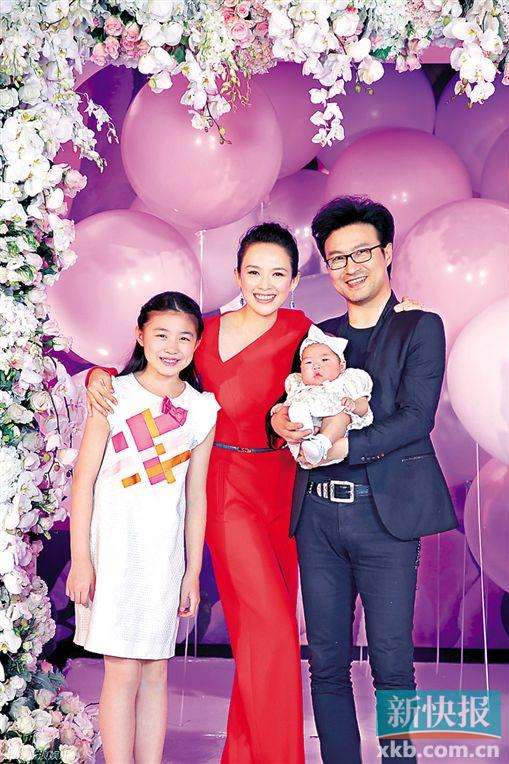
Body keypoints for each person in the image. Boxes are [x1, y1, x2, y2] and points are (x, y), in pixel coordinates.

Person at [85, 222, 421, 763]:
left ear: (295, 281)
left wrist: (404, 315)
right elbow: (152, 365)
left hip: (287, 491)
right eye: (255, 272)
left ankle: (244, 755)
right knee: (273, 633)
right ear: (237, 275)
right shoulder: (205, 331)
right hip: (223, 485)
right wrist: (98, 375)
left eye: (279, 274)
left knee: (259, 634)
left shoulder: (303, 331)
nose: (266, 284)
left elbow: (356, 357)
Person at [271, 196, 458, 764]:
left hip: (386, 520)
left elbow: (416, 418)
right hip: (318, 519)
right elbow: (285, 401)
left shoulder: (420, 326)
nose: (350, 268)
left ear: (387, 252)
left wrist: (342, 445)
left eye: (361, 253)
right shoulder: (317, 336)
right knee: (325, 664)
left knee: (392, 665)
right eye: (337, 259)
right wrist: (278, 419)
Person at [67, 291, 219, 763]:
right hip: (114, 553)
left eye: (184, 338)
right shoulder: (113, 394)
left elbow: (196, 495)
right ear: (140, 335)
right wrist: (81, 560)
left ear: (197, 344)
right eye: (161, 335)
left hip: (163, 558)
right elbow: (83, 482)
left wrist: (192, 571)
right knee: (122, 670)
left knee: (156, 670)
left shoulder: (203, 409)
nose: (172, 347)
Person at [281, 323, 373, 467]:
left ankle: (320, 444)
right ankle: (304, 444)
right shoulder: (299, 386)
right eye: (308, 362)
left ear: (341, 366)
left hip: (333, 441)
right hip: (306, 433)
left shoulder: (346, 382)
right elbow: (288, 404)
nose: (316, 366)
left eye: (324, 360)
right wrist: (282, 408)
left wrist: (354, 405)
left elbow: (364, 407)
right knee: (296, 408)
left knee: (341, 416)